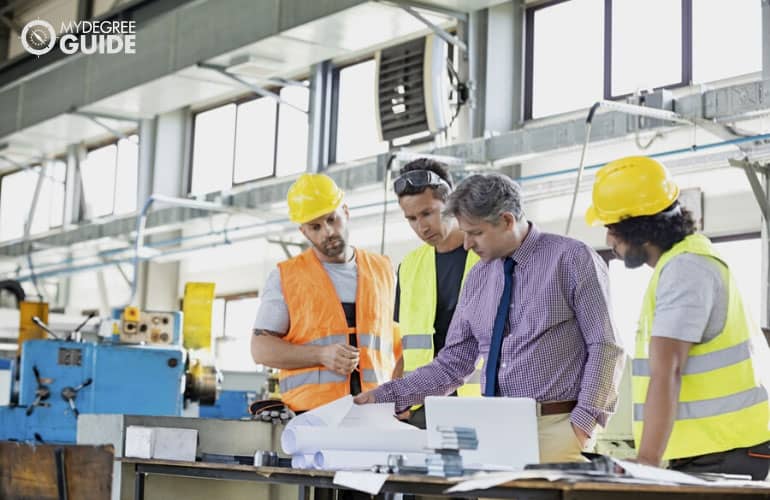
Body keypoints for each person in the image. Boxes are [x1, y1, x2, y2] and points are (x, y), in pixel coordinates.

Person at [356, 173, 625, 463]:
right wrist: (387, 396)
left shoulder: (571, 259)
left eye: (476, 233)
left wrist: (582, 423)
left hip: (556, 427)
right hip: (494, 429)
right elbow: (453, 364)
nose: (466, 243)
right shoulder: (478, 278)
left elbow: (605, 346)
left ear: (507, 221)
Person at [586, 155, 770, 480]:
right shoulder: (682, 263)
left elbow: (668, 371)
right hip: (712, 448)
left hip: (725, 448)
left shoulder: (686, 269)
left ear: (641, 233)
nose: (608, 241)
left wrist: (646, 464)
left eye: (612, 230)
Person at [251, 173, 402, 414]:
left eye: (332, 219)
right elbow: (260, 349)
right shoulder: (286, 278)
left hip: (376, 412)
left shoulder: (384, 271)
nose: (327, 232)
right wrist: (320, 354)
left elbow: (397, 343)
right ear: (304, 232)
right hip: (312, 417)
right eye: (315, 227)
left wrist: (402, 398)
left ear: (346, 211)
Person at [392, 158, 482, 428]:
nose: (422, 227)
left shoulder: (488, 257)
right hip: (424, 406)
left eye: (428, 213)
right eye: (411, 218)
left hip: (480, 402)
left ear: (451, 202)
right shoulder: (409, 267)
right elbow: (409, 348)